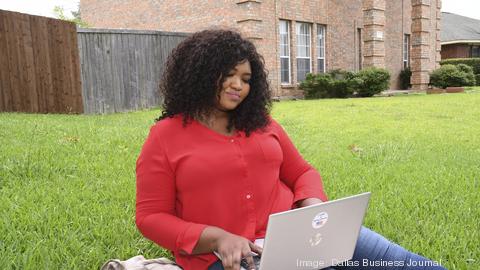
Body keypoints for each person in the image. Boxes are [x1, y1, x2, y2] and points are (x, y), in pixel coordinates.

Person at [135, 29, 445, 270]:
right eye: (228, 74)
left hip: (301, 235)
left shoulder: (262, 123)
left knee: (404, 263)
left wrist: (313, 204)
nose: (238, 86)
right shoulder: (165, 137)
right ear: (200, 74)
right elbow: (151, 217)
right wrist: (217, 237)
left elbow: (302, 172)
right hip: (226, 257)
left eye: (246, 78)